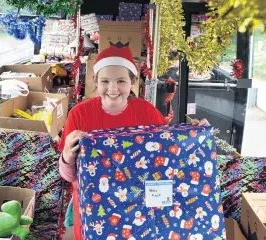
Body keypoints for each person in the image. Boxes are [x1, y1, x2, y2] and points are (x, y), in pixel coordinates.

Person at [59, 42, 209, 240]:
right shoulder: (79, 114)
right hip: (95, 212)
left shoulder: (146, 111)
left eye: (121, 81)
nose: (113, 88)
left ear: (134, 81)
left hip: (139, 213)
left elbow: (169, 155)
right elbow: (68, 176)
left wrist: (194, 137)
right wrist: (68, 157)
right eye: (105, 81)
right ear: (95, 81)